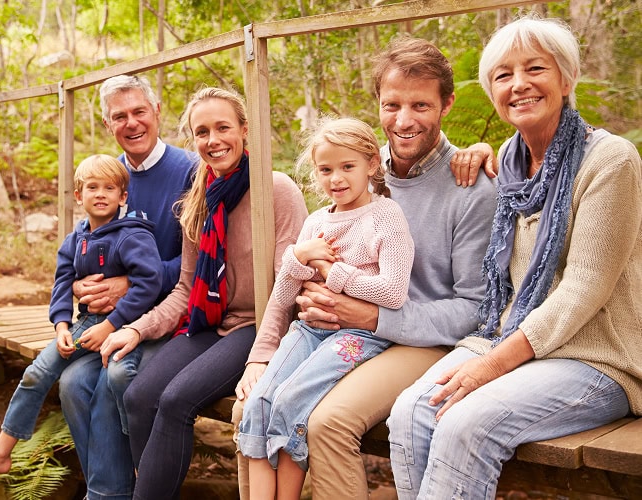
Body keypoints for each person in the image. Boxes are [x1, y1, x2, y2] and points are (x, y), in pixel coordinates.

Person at [233, 36, 499, 499]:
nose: (404, 120)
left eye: (421, 104)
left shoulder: (471, 185)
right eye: (391, 104)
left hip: (426, 338)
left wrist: (373, 316)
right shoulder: (353, 167)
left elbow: (475, 308)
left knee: (329, 421)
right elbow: (293, 272)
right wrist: (262, 353)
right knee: (249, 409)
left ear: (447, 104)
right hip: (335, 332)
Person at [387, 16, 642, 499]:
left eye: (535, 69)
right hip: (510, 336)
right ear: (492, 93)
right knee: (411, 411)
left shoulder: (610, 160)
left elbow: (585, 287)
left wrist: (492, 365)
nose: (519, 84)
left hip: (597, 357)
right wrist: (479, 151)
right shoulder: (506, 159)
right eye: (503, 75)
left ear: (566, 79)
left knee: (468, 423)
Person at [98, 86, 308, 500]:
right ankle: (157, 487)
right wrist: (136, 330)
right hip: (211, 321)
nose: (213, 140)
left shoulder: (275, 189)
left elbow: (290, 286)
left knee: (176, 400)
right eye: (202, 132)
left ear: (245, 130)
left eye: (223, 127)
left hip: (263, 322)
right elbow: (185, 288)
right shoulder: (199, 198)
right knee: (139, 395)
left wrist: (263, 356)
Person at [0, 154, 163, 487]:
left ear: (123, 196)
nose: (100, 194)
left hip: (127, 329)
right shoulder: (75, 240)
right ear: (78, 196)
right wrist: (62, 326)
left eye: (109, 188)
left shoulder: (132, 236)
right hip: (84, 327)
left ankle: (137, 460)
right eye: (91, 187)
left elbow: (149, 285)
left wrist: (111, 325)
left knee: (119, 381)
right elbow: (62, 284)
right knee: (36, 372)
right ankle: (1, 452)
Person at [239, 116, 415, 499]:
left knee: (290, 400)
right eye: (326, 169)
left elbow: (393, 292)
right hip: (307, 330)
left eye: (347, 167)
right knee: (260, 402)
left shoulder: (385, 216)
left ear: (371, 164)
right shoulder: (317, 221)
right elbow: (286, 293)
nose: (336, 178)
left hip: (358, 336)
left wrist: (330, 271)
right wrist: (297, 257)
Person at [58, 75, 198, 500]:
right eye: (120, 116)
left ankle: (141, 483)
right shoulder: (108, 176)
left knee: (118, 374)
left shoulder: (191, 170)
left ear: (157, 113)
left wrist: (132, 283)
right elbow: (85, 249)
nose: (132, 123)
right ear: (108, 124)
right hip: (109, 320)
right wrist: (83, 282)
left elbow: (200, 263)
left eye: (140, 111)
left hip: (172, 313)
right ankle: (113, 489)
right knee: (70, 386)